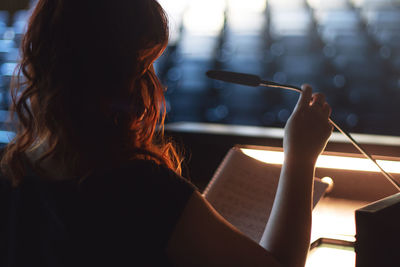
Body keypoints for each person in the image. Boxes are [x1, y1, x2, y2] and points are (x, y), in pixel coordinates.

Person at [0, 0, 333, 266]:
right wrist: (301, 157)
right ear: (112, 76)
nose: (151, 85)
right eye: (142, 67)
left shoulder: (12, 170)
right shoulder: (138, 188)